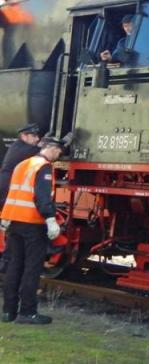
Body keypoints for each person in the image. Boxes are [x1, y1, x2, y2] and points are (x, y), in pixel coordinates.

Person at [0, 136, 65, 324]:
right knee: (32, 268)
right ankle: (27, 313)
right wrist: (51, 219)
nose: (58, 156)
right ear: (51, 149)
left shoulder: (23, 164)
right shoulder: (43, 167)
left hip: (14, 221)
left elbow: (12, 191)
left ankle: (8, 311)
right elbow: (42, 196)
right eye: (58, 152)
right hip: (32, 223)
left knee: (14, 267)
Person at [0, 123, 41, 210]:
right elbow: (40, 152)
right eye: (33, 136)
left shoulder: (20, 146)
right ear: (24, 136)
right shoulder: (20, 149)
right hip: (7, 186)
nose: (37, 139)